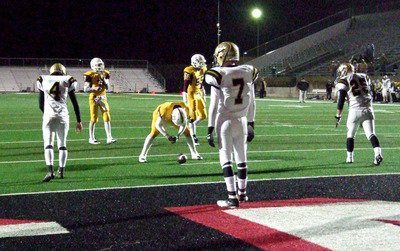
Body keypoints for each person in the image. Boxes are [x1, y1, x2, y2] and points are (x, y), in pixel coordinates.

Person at [205, 41, 257, 208]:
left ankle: (231, 197)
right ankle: (243, 193)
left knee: (225, 157)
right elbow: (253, 102)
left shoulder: (218, 74)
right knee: (242, 158)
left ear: (221, 55)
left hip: (224, 121)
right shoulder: (248, 71)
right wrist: (251, 123)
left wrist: (210, 127)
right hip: (242, 120)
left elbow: (213, 104)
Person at [37, 63, 82, 182]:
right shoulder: (68, 79)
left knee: (48, 144)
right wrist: (79, 120)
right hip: (63, 116)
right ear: (63, 71)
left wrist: (47, 113)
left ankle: (49, 171)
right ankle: (61, 171)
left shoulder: (43, 79)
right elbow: (75, 103)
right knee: (62, 145)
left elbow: (40, 104)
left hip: (48, 116)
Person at [334, 63, 383, 166]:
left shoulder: (343, 80)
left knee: (350, 134)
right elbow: (369, 91)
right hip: (368, 109)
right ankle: (378, 154)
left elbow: (341, 99)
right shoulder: (364, 76)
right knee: (371, 134)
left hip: (354, 110)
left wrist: (338, 115)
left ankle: (349, 158)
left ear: (344, 71)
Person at [138, 102, 203, 163]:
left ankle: (194, 153)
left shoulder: (187, 109)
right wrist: (167, 136)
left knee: (187, 132)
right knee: (154, 133)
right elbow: (158, 125)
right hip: (161, 116)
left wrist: (178, 136)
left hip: (175, 117)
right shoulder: (164, 110)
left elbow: (184, 124)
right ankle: (142, 155)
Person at [84, 57, 116, 145]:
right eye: (97, 65)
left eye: (100, 64)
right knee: (94, 118)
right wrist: (94, 88)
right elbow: (85, 89)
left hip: (103, 96)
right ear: (93, 66)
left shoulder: (106, 73)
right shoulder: (89, 74)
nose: (99, 66)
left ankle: (109, 137)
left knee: (107, 115)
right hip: (94, 97)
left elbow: (107, 87)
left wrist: (104, 80)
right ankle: (91, 138)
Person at [182, 54, 207, 146]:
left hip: (198, 93)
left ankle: (192, 125)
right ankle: (193, 135)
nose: (202, 64)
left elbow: (201, 83)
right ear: (194, 62)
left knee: (203, 115)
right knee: (193, 116)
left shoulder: (203, 69)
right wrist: (185, 99)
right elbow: (185, 86)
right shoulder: (189, 70)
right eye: (200, 62)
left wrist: (203, 94)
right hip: (191, 94)